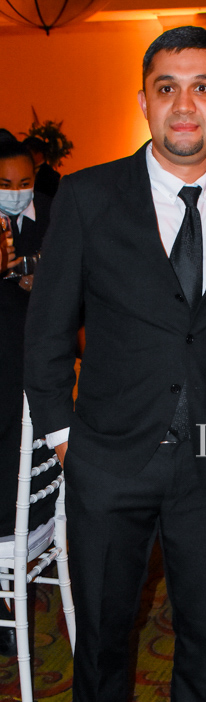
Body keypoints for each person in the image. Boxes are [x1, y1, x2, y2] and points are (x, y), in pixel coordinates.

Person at [25, 26, 206, 702]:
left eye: (201, 87)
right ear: (144, 101)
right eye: (166, 87)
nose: (183, 104)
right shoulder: (88, 197)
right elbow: (47, 334)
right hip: (107, 457)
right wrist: (64, 441)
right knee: (102, 620)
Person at [0, 140, 54, 656]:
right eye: (5, 185)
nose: (16, 194)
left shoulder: (51, 218)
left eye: (24, 184)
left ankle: (15, 594)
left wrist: (41, 281)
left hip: (29, 361)